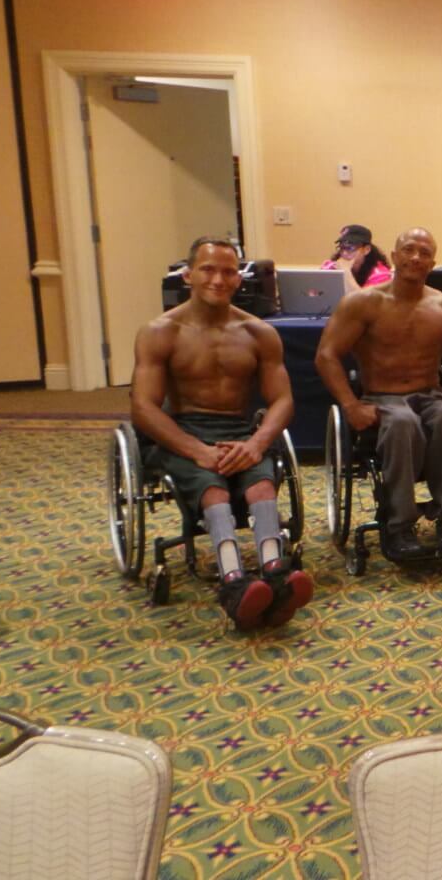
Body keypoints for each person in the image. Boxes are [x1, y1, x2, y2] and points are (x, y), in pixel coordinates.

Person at [131, 236, 313, 631]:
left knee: (262, 486)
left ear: (239, 279)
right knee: (213, 490)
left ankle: (276, 574)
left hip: (238, 431)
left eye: (228, 272)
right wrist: (196, 450)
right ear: (188, 275)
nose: (218, 279)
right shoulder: (160, 332)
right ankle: (234, 584)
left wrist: (256, 444)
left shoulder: (258, 332)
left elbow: (282, 400)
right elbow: (143, 407)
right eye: (208, 270)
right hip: (184, 431)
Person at [315, 227, 442, 561]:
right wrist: (350, 405)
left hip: (432, 394)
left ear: (432, 264)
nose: (416, 258)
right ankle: (399, 525)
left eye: (424, 253)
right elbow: (326, 355)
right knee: (402, 422)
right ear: (394, 256)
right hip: (382, 397)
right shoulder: (362, 304)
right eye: (409, 250)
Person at [321, 224, 392, 291]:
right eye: (342, 248)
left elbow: (364, 300)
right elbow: (317, 294)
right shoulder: (331, 268)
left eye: (350, 248)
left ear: (366, 249)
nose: (344, 253)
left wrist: (346, 272)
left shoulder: (381, 274)